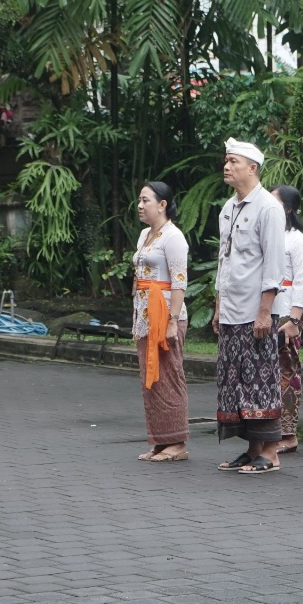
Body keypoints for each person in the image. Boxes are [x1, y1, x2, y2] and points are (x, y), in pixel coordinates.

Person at [212, 138, 288, 475]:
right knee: (238, 381)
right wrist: (218, 305)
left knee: (261, 379)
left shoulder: (269, 208)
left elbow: (273, 263)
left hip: (255, 310)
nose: (226, 167)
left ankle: (270, 451)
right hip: (231, 309)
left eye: (233, 161)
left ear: (252, 168)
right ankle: (251, 447)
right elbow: (223, 261)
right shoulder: (228, 208)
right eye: (225, 161)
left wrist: (265, 311)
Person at [132, 181, 190, 462]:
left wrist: (172, 321)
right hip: (145, 315)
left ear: (162, 204)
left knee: (169, 376)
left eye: (146, 200)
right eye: (140, 201)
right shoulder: (145, 234)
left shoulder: (173, 236)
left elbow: (179, 282)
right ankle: (159, 440)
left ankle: (177, 442)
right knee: (150, 378)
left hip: (165, 313)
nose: (141, 205)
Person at [272, 185, 303, 455]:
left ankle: (288, 433)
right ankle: (269, 427)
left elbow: (301, 281)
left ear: (287, 209)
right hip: (268, 310)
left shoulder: (298, 241)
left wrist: (294, 319)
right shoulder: (268, 237)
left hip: (289, 311)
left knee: (287, 372)